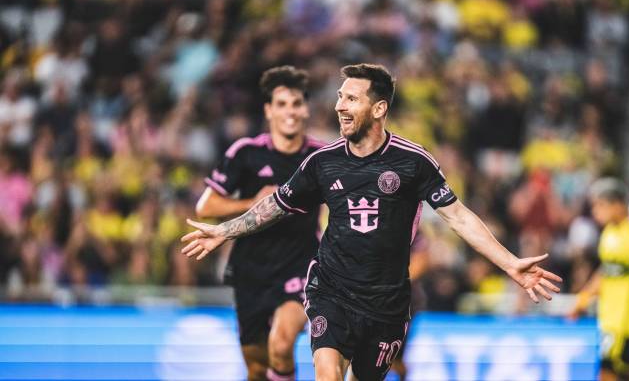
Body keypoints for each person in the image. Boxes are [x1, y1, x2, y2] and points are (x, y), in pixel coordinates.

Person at [182, 63, 562, 381]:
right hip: (330, 290)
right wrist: (223, 230)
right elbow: (275, 205)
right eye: (339, 97)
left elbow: (458, 217)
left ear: (379, 109)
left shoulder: (414, 162)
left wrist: (510, 263)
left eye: (351, 99)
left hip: (387, 303)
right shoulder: (322, 162)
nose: (340, 107)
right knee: (327, 373)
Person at [195, 65, 325, 381]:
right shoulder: (247, 153)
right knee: (256, 367)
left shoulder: (322, 158)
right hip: (250, 269)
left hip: (301, 266)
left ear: (306, 108)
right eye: (281, 104)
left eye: (296, 103)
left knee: (281, 345)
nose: (290, 112)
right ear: (268, 110)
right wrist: (252, 203)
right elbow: (205, 207)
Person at [569, 178, 629, 381]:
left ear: (617, 204)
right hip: (610, 319)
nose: (595, 212)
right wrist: (583, 299)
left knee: (623, 373)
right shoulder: (608, 233)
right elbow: (605, 272)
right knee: (613, 372)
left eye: (600, 205)